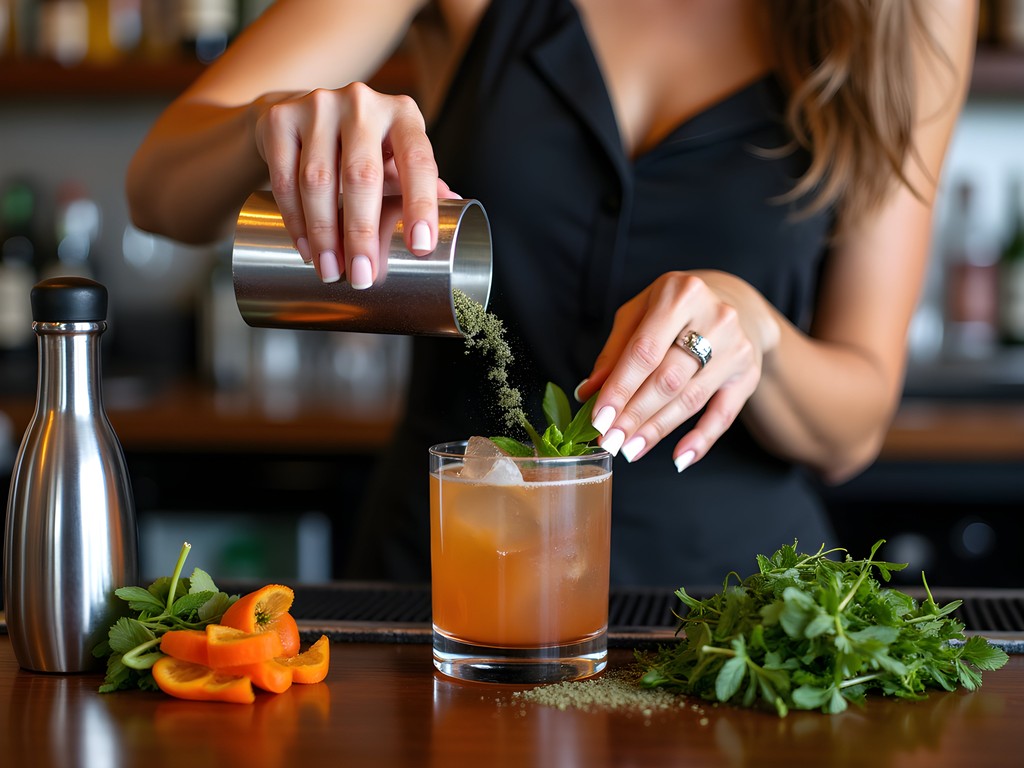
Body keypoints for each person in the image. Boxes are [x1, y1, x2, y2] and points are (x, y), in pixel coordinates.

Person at [126, 0, 977, 587]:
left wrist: (760, 329)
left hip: (732, 626)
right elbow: (159, 191)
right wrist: (269, 122)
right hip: (443, 599)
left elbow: (855, 421)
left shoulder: (907, 14)